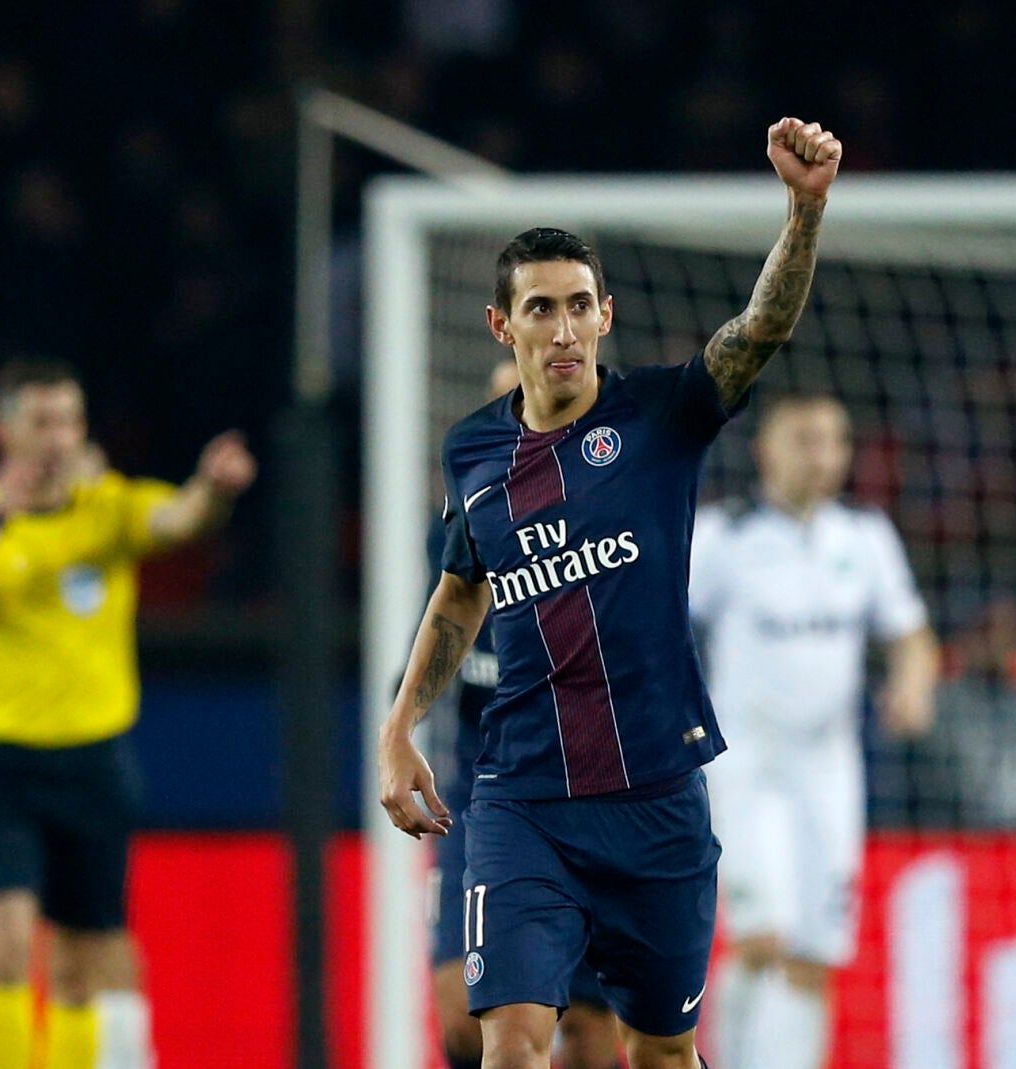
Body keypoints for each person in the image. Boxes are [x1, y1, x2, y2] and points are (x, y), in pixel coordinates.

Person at [377, 116, 844, 1069]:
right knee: (507, 1042)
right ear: (503, 325)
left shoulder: (661, 416)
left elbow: (761, 329)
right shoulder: (474, 451)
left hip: (655, 797)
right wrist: (398, 728)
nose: (563, 327)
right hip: (522, 798)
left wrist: (803, 212)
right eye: (540, 308)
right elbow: (461, 589)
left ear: (606, 315)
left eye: (579, 305)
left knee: (660, 1051)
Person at [0, 359, 254, 1069]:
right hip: (0, 762)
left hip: (93, 762)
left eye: (69, 420)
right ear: (2, 431)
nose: (58, 437)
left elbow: (180, 517)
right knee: (3, 940)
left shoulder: (107, 507)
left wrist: (213, 489)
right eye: (41, 421)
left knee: (78, 963)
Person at [688, 394, 939, 1069]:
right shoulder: (722, 536)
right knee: (761, 937)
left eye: (834, 439)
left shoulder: (865, 536)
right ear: (765, 449)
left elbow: (911, 634)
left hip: (829, 769)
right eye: (804, 438)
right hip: (745, 765)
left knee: (813, 954)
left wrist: (913, 683)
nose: (822, 455)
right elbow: (656, 627)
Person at [428, 362, 619, 1069]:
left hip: (593, 797)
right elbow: (440, 628)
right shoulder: (457, 524)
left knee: (591, 1033)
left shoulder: (616, 519)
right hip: (486, 798)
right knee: (463, 1016)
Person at [892, 598, 1016, 830]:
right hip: (954, 841)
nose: (999, 641)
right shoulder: (939, 705)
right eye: (988, 630)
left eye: (1009, 631)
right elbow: (922, 792)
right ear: (966, 636)